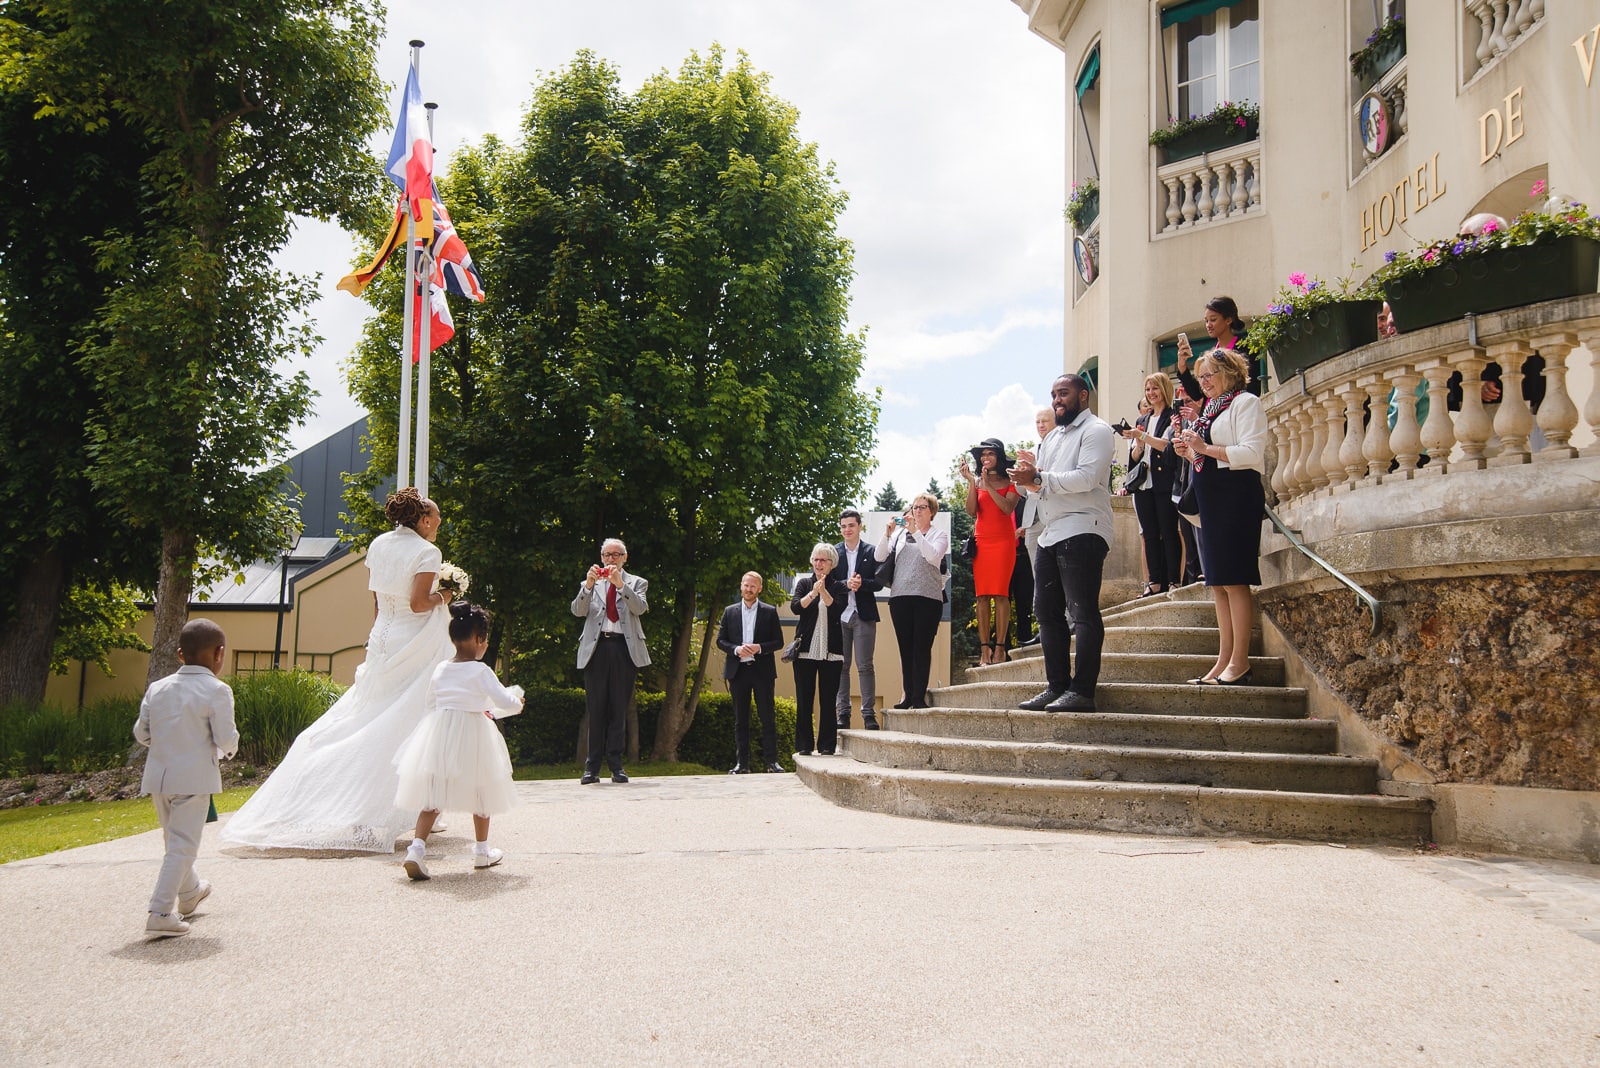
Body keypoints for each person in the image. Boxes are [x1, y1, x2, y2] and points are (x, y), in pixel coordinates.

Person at [223, 487, 455, 852]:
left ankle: (411, 809)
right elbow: (418, 602)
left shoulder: (379, 545)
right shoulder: (427, 551)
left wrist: (376, 641)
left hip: (383, 639)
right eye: (437, 517)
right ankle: (412, 806)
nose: (440, 523)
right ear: (424, 520)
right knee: (409, 720)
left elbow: (378, 602)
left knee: (374, 713)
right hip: (414, 644)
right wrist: (446, 595)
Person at [1009, 373, 1114, 713]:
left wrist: (1038, 478)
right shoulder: (1053, 438)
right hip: (1051, 532)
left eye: (1064, 393)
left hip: (1084, 528)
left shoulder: (1097, 430)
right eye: (1053, 394)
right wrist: (1026, 476)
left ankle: (1083, 691)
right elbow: (1040, 486)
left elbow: (1087, 477)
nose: (1057, 400)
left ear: (1083, 396)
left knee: (1082, 611)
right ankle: (1057, 686)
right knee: (1046, 612)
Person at [397, 602, 523, 880]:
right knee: (482, 791)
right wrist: (519, 702)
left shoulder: (442, 668)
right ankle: (481, 851)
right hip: (475, 732)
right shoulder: (481, 671)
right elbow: (504, 701)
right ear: (479, 640)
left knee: (433, 795)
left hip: (441, 731)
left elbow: (431, 701)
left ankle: (416, 849)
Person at [135, 618, 239, 938]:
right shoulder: (217, 690)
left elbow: (142, 733)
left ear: (180, 654)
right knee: (183, 846)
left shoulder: (158, 688)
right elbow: (225, 738)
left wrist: (167, 746)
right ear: (219, 653)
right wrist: (228, 751)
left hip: (159, 777)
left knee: (173, 840)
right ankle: (160, 910)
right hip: (194, 778)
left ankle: (190, 890)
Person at [1174, 349, 1269, 686]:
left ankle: (1240, 661)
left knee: (1234, 579)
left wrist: (1203, 448)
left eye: (1210, 374)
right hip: (1211, 499)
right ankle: (1223, 659)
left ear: (1230, 373)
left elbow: (1251, 453)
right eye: (1201, 376)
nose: (1204, 381)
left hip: (1235, 497)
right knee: (1217, 583)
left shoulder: (1245, 402)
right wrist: (1189, 451)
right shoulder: (1211, 409)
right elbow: (1207, 452)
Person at [571, 538, 649, 785]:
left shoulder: (637, 582)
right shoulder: (589, 582)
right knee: (596, 709)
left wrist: (620, 585)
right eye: (607, 554)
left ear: (625, 558)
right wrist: (589, 586)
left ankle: (616, 765)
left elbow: (640, 608)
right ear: (601, 556)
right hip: (597, 649)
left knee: (618, 708)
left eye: (616, 554)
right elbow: (577, 611)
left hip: (624, 649)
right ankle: (591, 768)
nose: (611, 559)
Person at [875, 492, 950, 709]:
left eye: (922, 507)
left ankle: (919, 696)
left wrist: (916, 533)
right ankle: (907, 695)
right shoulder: (899, 535)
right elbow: (879, 557)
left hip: (928, 598)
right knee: (905, 648)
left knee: (922, 647)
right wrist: (887, 534)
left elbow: (933, 557)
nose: (917, 511)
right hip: (900, 597)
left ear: (932, 512)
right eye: (914, 507)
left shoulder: (939, 535)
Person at [1120, 373, 1183, 596]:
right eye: (1147, 390)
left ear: (1164, 389)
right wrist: (1137, 443)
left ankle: (1174, 579)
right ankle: (1154, 581)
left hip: (1163, 482)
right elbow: (1136, 456)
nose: (1151, 393)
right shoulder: (1143, 421)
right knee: (1149, 533)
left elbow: (1166, 445)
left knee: (1168, 531)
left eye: (1155, 389)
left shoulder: (1172, 417)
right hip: (1143, 484)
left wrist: (1143, 437)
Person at [716, 572, 785, 773]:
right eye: (746, 585)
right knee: (741, 720)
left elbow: (778, 642)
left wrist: (759, 647)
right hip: (738, 671)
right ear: (741, 586)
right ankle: (742, 764)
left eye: (753, 586)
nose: (749, 589)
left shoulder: (769, 611)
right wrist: (736, 649)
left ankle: (772, 763)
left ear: (759, 588)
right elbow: (721, 640)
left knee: (767, 717)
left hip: (762, 671)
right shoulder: (729, 612)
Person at [960, 438, 1021, 664]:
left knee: (1001, 594)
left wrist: (987, 484)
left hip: (1003, 542)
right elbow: (970, 511)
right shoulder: (976, 482)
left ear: (999, 456)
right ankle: (984, 648)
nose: (986, 458)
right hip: (982, 542)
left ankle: (1000, 648)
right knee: (982, 596)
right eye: (983, 455)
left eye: (990, 454)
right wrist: (972, 483)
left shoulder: (1012, 480)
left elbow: (1006, 508)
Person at [790, 543, 848, 755]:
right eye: (815, 559)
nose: (818, 564)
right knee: (804, 700)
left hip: (831, 652)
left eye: (823, 560)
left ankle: (826, 746)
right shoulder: (804, 583)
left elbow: (836, 610)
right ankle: (804, 745)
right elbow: (796, 607)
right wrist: (813, 593)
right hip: (805, 651)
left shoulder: (840, 587)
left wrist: (823, 591)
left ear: (832, 564)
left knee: (828, 700)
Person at [832, 509, 882, 731]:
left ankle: (868, 714)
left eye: (851, 525)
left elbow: (879, 583)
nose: (846, 530)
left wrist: (863, 584)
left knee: (865, 666)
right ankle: (842, 714)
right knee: (840, 667)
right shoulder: (834, 552)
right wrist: (845, 584)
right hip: (840, 615)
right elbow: (828, 582)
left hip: (863, 614)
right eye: (843, 526)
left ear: (860, 526)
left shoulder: (871, 551)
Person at [1013, 406, 1056, 648]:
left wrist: (1034, 466)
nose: (1040, 425)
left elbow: (1052, 477)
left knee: (1057, 576)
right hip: (1033, 523)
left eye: (1044, 421)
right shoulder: (1036, 448)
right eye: (1037, 421)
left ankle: (1064, 621)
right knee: (1038, 579)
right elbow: (1024, 491)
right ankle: (1044, 627)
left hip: (1054, 518)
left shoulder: (1060, 443)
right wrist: (1020, 473)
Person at [1175, 295, 1257, 397]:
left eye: (1213, 320)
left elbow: (1253, 388)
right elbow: (1197, 393)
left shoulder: (1246, 350)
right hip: (1212, 411)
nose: (1208, 325)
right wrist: (1182, 365)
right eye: (1206, 321)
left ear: (1228, 320)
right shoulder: (1209, 355)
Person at [1171, 383, 1204, 586]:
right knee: (1188, 536)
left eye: (1188, 402)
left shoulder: (1203, 421)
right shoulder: (1180, 426)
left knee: (1201, 532)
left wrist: (1193, 420)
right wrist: (1175, 433)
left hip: (1200, 482)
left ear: (1199, 401)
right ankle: (1192, 579)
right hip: (1183, 485)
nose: (1184, 407)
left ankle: (1204, 571)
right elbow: (1169, 459)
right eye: (1181, 404)